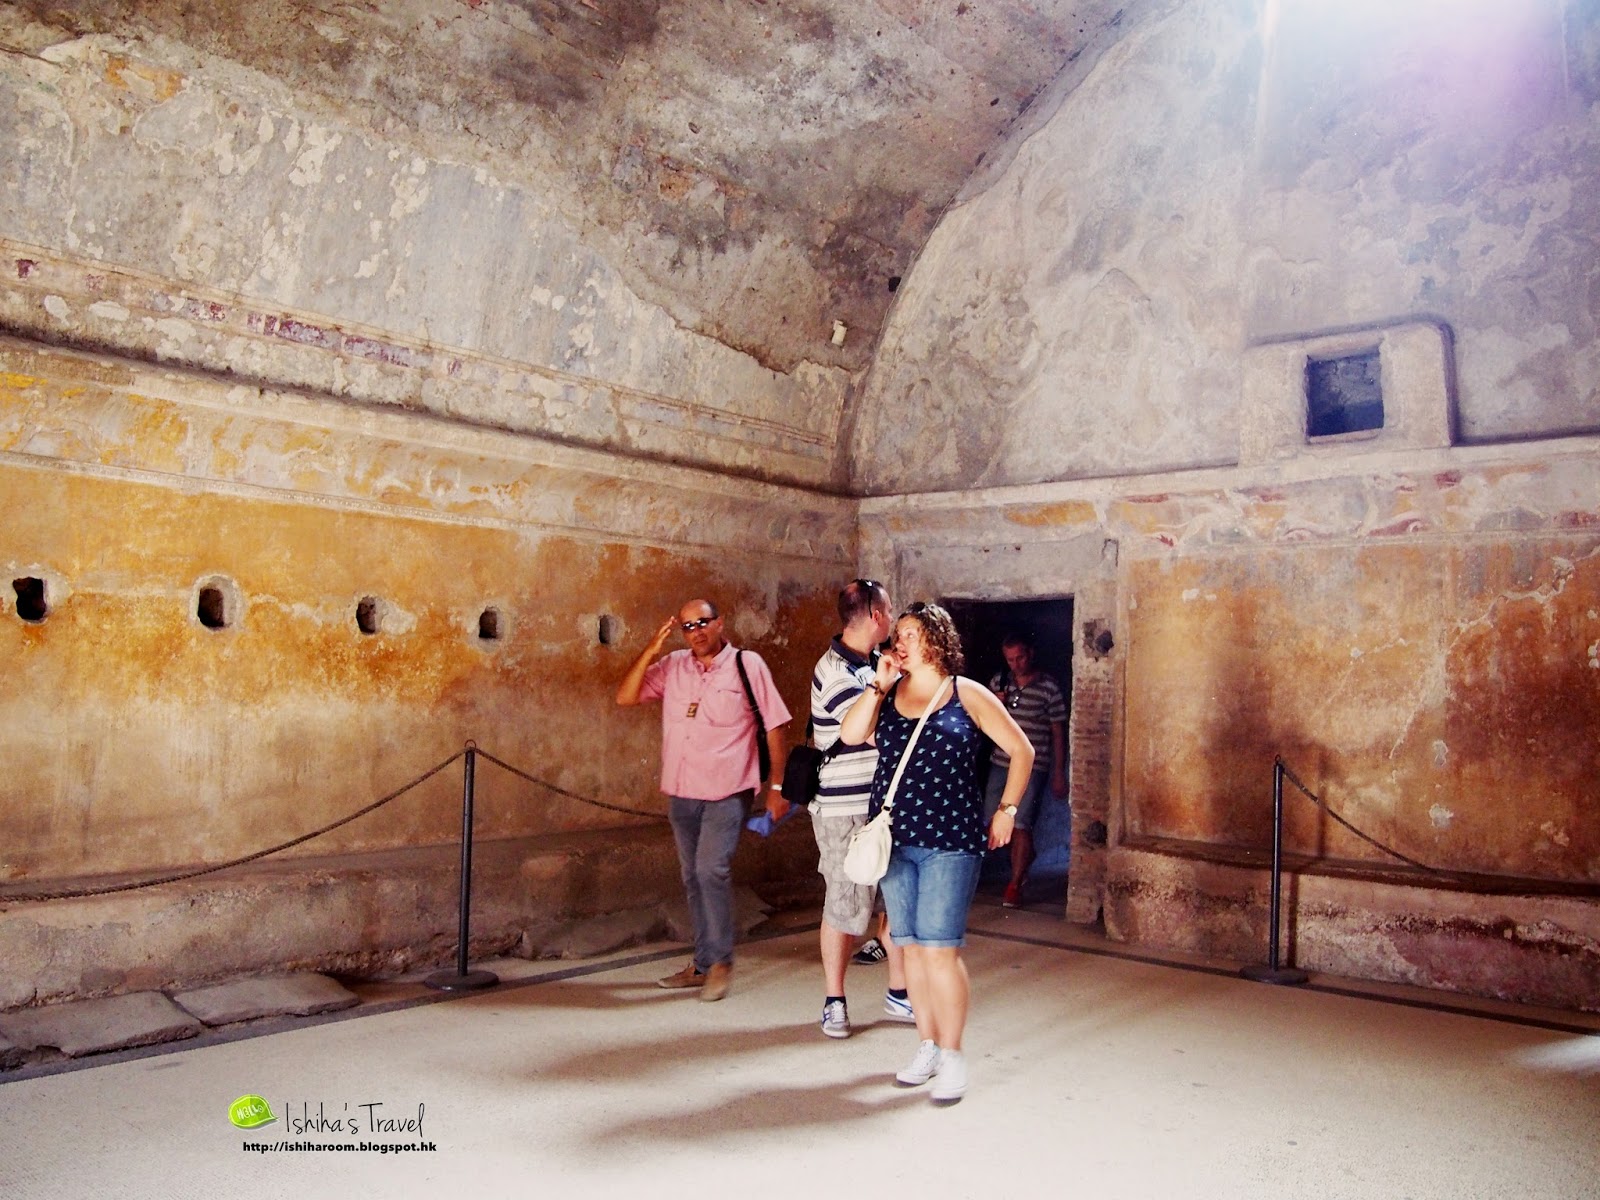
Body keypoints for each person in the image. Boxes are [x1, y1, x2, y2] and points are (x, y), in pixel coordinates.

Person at [839, 602, 1034, 1103]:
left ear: (936, 639)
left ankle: (952, 1054)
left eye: (909, 634)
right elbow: (851, 735)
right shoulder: (888, 692)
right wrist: (877, 685)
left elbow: (1022, 750)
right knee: (910, 950)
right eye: (897, 635)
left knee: (939, 951)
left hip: (950, 842)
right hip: (896, 841)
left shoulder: (964, 693)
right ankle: (926, 1045)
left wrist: (1007, 809)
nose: (898, 643)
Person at [616, 598, 791, 1002]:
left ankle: (721, 963)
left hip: (728, 790)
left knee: (711, 870)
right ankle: (701, 963)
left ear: (719, 623)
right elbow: (626, 696)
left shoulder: (747, 665)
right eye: (687, 626)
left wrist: (777, 788)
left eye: (702, 623)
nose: (696, 632)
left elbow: (776, 726)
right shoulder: (674, 665)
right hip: (682, 791)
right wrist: (650, 651)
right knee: (693, 876)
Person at [809, 578, 913, 1038]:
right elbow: (871, 732)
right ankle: (834, 1000)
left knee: (894, 900)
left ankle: (899, 991)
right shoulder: (834, 671)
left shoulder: (873, 662)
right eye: (888, 612)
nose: (891, 620)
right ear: (875, 615)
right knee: (845, 903)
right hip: (844, 807)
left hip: (881, 803)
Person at [984, 633, 1069, 908]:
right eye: (1010, 659)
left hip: (1034, 766)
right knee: (991, 819)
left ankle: (1015, 883)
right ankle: (1024, 859)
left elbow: (1058, 731)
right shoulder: (999, 682)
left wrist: (1059, 772)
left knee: (1020, 823)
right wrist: (994, 703)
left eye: (1020, 657)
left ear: (1030, 653)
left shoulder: (1049, 688)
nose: (1015, 664)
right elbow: (980, 719)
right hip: (1000, 763)